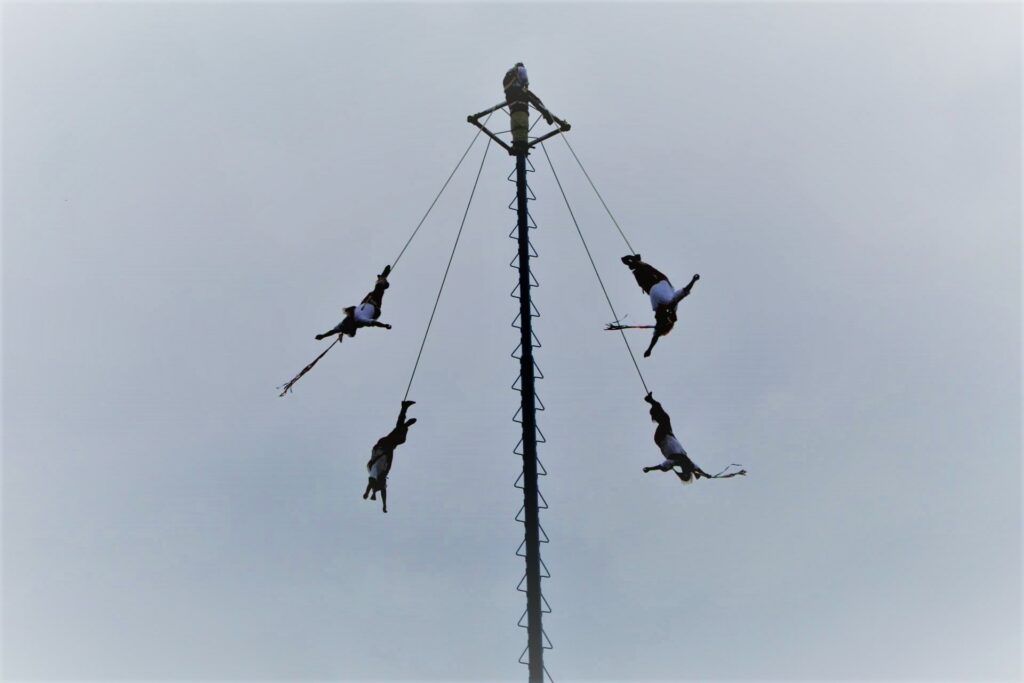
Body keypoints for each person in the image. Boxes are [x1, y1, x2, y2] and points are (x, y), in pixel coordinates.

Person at [621, 254, 699, 357]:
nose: (657, 320)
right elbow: (685, 291)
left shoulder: (659, 319)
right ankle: (637, 262)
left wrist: (649, 349)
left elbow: (655, 337)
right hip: (660, 280)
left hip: (649, 287)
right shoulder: (671, 304)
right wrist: (693, 280)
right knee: (642, 266)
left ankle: (635, 263)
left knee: (636, 271)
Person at [640, 392, 708, 484]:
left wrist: (649, 469)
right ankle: (652, 403)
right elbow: (697, 469)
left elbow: (661, 466)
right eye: (688, 473)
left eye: (685, 473)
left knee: (664, 419)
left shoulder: (673, 462)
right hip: (669, 434)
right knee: (665, 418)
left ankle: (652, 406)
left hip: (662, 438)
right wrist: (706, 474)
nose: (686, 471)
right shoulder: (689, 463)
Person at [363, 400, 417, 513]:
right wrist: (384, 506)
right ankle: (404, 413)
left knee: (399, 432)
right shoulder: (383, 475)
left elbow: (371, 483)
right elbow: (383, 492)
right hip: (387, 448)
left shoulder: (375, 473)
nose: (385, 483)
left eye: (383, 483)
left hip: (381, 447)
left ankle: (404, 411)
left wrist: (368, 493)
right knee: (401, 437)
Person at [316, 265, 393, 341]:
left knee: (372, 292)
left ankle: (382, 283)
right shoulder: (360, 320)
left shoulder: (343, 325)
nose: (347, 316)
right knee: (378, 289)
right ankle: (382, 280)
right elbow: (374, 323)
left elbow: (332, 332)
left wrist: (323, 336)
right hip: (374, 306)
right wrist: (384, 326)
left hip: (365, 303)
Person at [502, 62, 570, 147]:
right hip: (518, 93)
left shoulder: (508, 74)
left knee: (529, 101)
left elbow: (507, 87)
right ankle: (548, 117)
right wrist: (526, 86)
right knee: (536, 100)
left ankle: (547, 117)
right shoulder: (520, 69)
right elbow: (524, 79)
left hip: (510, 98)